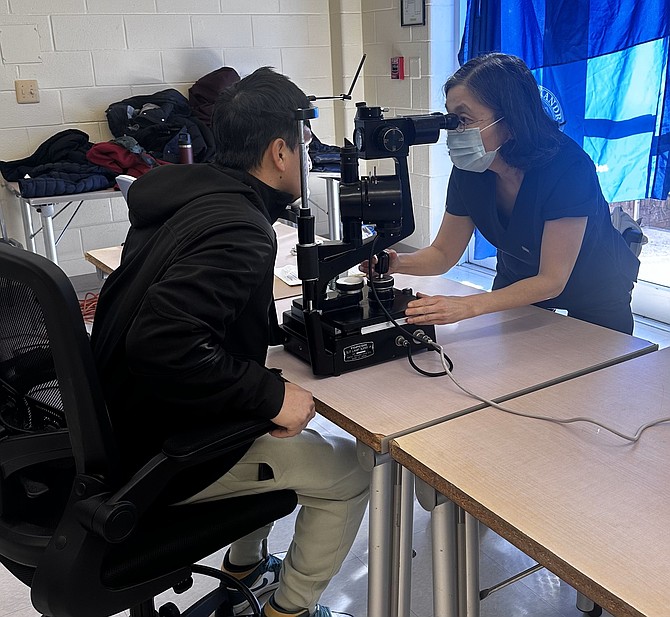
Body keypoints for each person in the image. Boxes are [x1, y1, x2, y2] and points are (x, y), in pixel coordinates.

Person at [91, 67, 369, 617]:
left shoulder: (180, 199)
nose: (307, 154)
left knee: (268, 422)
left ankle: (244, 572)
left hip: (116, 421)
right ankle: (287, 610)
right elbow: (163, 343)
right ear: (280, 153)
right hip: (157, 456)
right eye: (304, 142)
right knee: (346, 470)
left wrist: (257, 382)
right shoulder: (241, 226)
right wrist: (269, 396)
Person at [362, 53, 640, 335]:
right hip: (519, 281)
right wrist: (396, 263)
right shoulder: (471, 169)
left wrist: (467, 306)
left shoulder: (568, 168)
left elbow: (552, 280)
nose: (455, 131)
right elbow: (444, 253)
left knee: (597, 372)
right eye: (450, 119)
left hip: (594, 287)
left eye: (464, 119)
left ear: (510, 119)